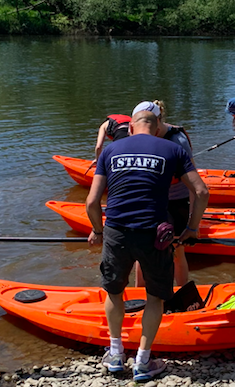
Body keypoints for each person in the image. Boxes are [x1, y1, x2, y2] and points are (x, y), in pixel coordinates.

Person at [86, 108, 210, 380]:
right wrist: (191, 227)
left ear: (130, 127)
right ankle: (143, 361)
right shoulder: (172, 149)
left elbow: (92, 203)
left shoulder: (110, 150)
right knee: (155, 296)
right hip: (156, 234)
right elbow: (201, 192)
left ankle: (116, 354)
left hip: (117, 231)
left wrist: (98, 230)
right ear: (156, 128)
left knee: (114, 293)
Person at [133, 100, 195, 288]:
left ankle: (182, 293)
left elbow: (195, 185)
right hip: (151, 202)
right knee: (142, 251)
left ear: (158, 121)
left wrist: (193, 223)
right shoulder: (141, 136)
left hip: (176, 201)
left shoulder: (178, 141)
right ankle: (138, 295)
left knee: (177, 251)